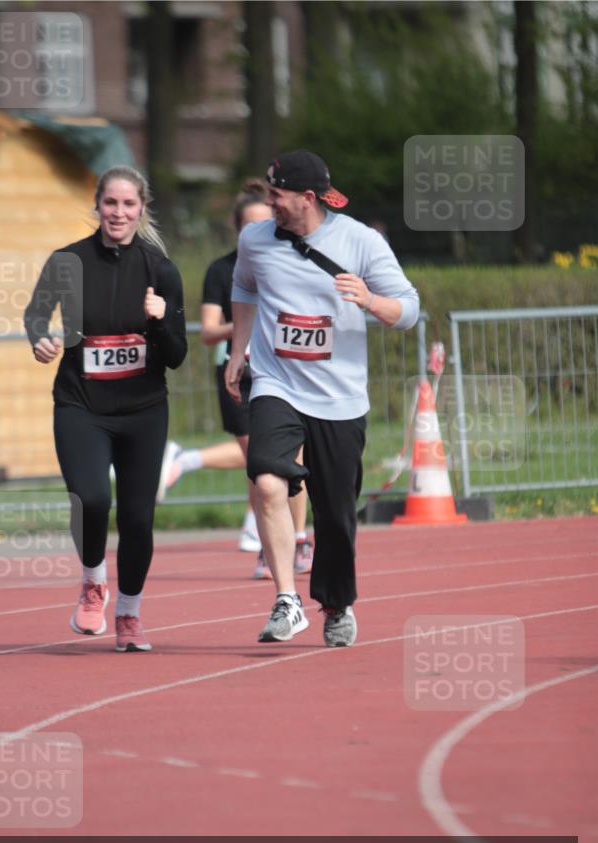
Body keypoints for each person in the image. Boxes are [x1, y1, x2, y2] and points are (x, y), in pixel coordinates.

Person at [225, 150, 419, 645]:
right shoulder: (255, 240)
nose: (268, 202)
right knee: (267, 479)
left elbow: (410, 310)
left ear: (307, 198)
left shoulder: (361, 241)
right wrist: (238, 350)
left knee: (336, 516)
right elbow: (244, 288)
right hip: (276, 383)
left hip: (339, 398)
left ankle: (336, 603)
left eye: (276, 194)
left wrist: (371, 300)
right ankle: (286, 600)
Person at [25, 164, 186, 652]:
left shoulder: (160, 269)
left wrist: (159, 322)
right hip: (81, 404)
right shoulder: (66, 261)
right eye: (110, 203)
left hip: (143, 410)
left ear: (142, 209)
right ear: (97, 206)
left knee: (138, 518)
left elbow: (176, 355)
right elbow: (36, 313)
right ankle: (94, 580)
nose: (118, 212)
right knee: (91, 499)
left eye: (128, 204)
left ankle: (130, 615)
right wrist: (40, 339)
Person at [159, 178, 313, 577]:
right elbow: (209, 331)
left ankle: (298, 538)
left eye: (267, 220)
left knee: (292, 458)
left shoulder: (294, 257)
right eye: (250, 225)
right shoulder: (222, 269)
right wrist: (248, 318)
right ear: (238, 228)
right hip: (237, 369)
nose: (261, 231)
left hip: (284, 367)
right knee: (259, 462)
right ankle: (269, 541)